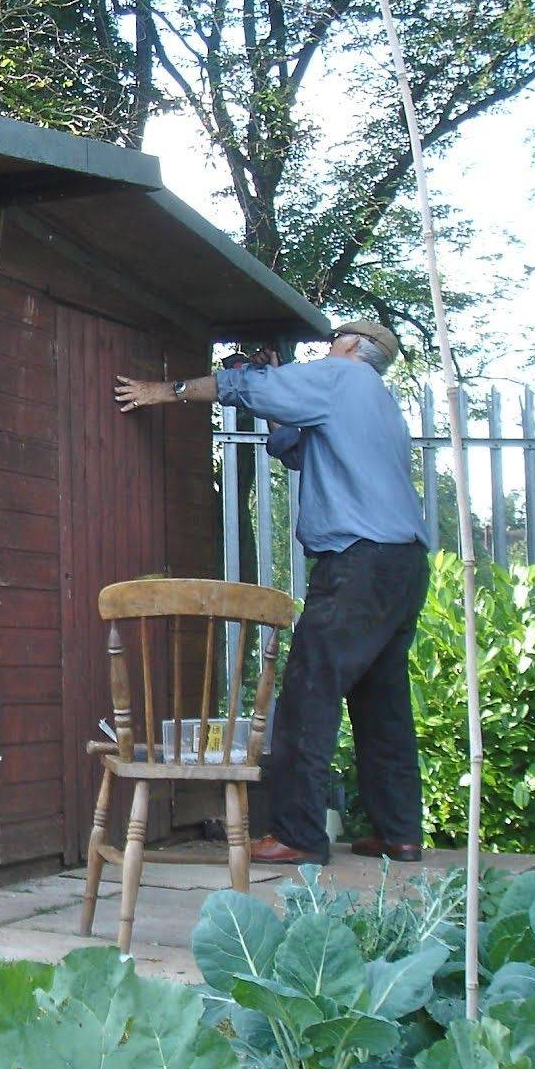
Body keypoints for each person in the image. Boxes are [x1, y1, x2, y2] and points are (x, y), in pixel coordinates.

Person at [113, 319, 430, 865]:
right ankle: (398, 832)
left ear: (350, 346)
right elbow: (294, 447)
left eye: (333, 341)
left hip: (357, 564)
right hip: (402, 567)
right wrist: (277, 386)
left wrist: (167, 391)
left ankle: (299, 834)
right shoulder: (380, 403)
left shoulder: (339, 377)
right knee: (383, 703)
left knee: (309, 693)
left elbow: (244, 387)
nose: (328, 348)